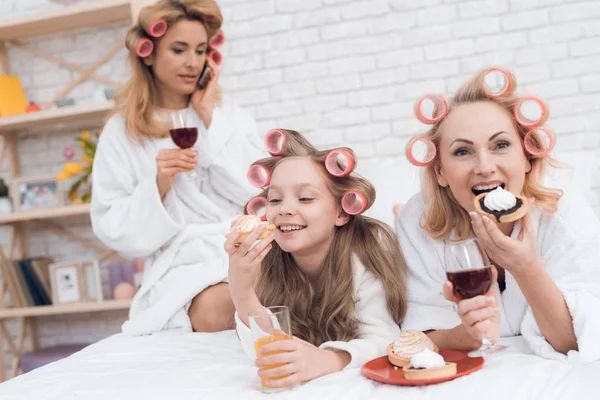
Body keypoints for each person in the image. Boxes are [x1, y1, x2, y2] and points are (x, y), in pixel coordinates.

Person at [397, 66, 600, 362]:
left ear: (527, 157)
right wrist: (464, 335)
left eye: (501, 145)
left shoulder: (565, 213)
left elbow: (578, 341)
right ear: (440, 171)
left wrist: (526, 267)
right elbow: (413, 340)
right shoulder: (418, 221)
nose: (484, 167)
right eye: (462, 152)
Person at [91, 0, 263, 335]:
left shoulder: (227, 115)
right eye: (179, 49)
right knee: (225, 307)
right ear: (149, 53)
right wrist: (160, 183)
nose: (192, 62)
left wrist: (209, 114)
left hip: (245, 248)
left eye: (200, 51)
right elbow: (111, 224)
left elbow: (259, 189)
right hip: (184, 262)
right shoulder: (122, 132)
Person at [224, 129, 408, 388]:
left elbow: (385, 338)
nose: (285, 209)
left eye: (305, 198)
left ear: (341, 213)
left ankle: (400, 215)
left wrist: (329, 359)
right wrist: (241, 289)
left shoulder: (366, 252)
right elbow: (269, 351)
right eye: (275, 199)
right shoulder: (270, 258)